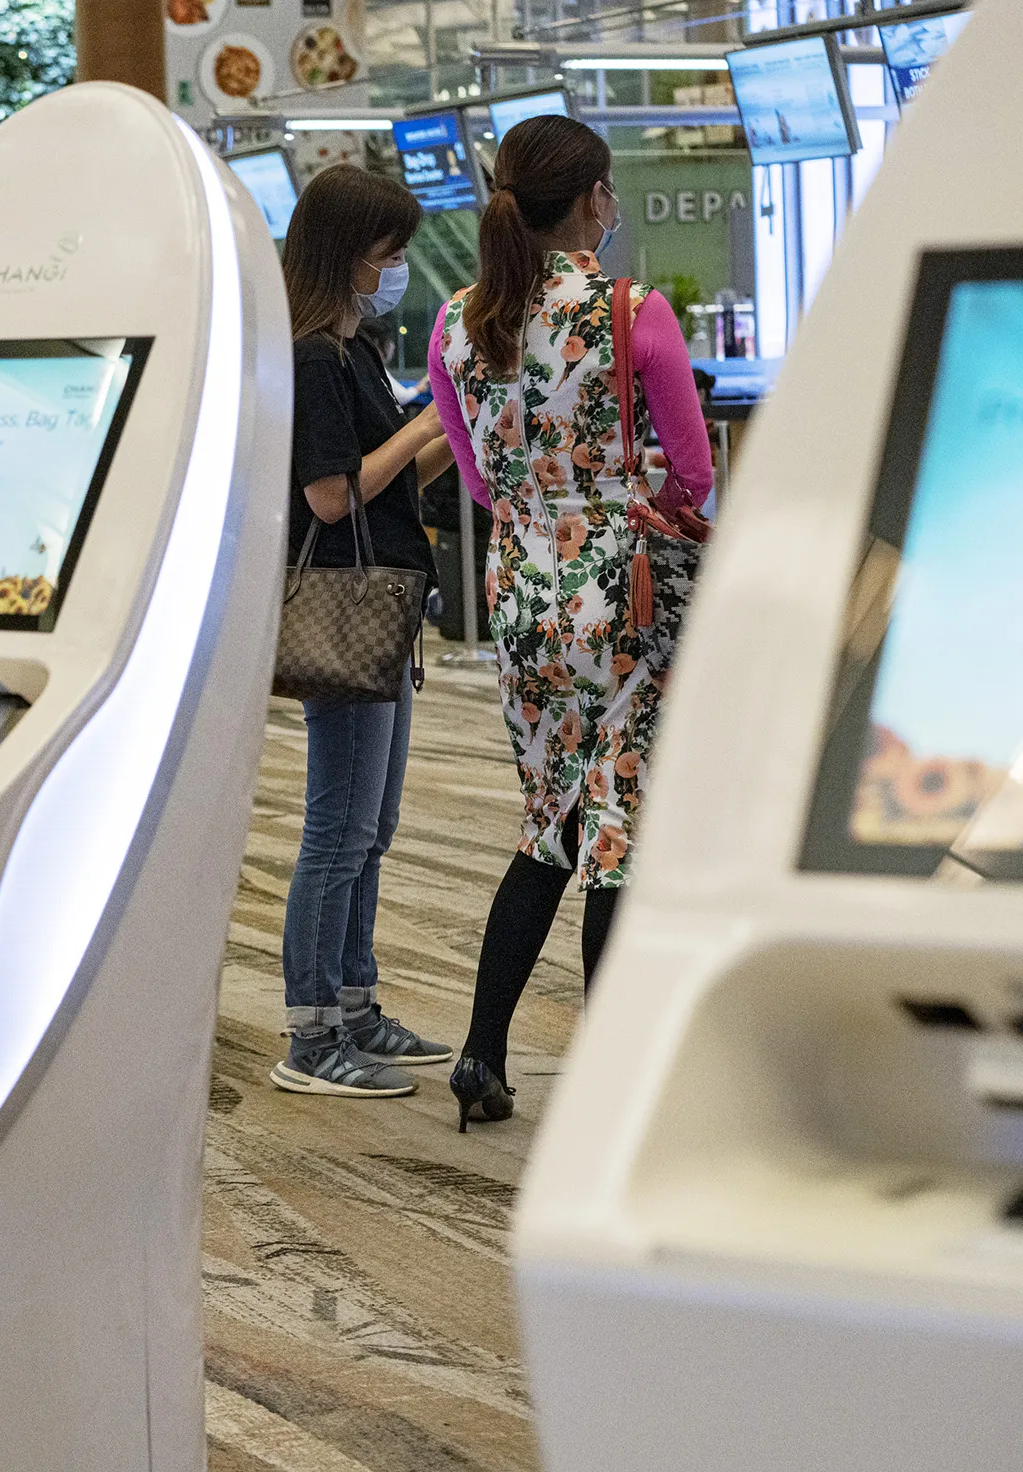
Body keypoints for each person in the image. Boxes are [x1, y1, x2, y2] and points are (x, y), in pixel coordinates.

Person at [425, 116, 712, 1131]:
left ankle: (481, 1053)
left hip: (521, 595)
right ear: (592, 196)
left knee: (549, 820)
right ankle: (608, 1076)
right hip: (622, 593)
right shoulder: (630, 311)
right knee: (618, 833)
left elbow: (471, 478)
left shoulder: (457, 322)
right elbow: (694, 474)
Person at [270, 164, 457, 1099]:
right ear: (349, 254)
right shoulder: (311, 355)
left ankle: (354, 1004)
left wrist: (443, 424)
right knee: (338, 829)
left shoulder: (356, 349)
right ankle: (309, 1034)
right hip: (347, 610)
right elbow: (334, 494)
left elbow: (389, 486)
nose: (397, 267)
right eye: (388, 252)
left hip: (384, 605)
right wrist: (425, 418)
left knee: (371, 825)